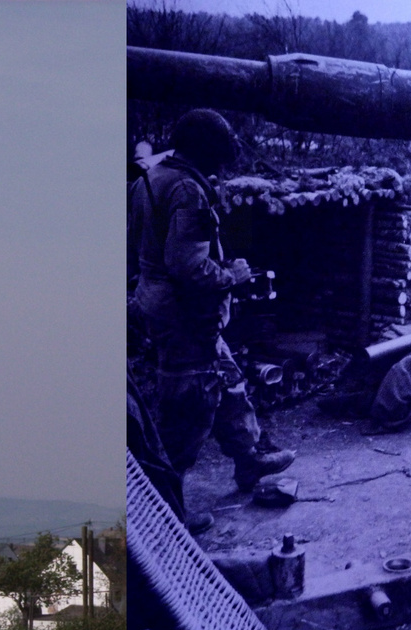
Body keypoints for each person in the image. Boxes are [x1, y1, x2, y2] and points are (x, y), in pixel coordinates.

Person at [129, 109, 293, 534]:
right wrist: (232, 276)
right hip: (185, 314)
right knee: (191, 402)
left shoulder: (150, 179)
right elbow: (189, 268)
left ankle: (248, 460)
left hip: (163, 305)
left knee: (227, 379)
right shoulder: (187, 190)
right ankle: (165, 509)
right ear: (209, 152)